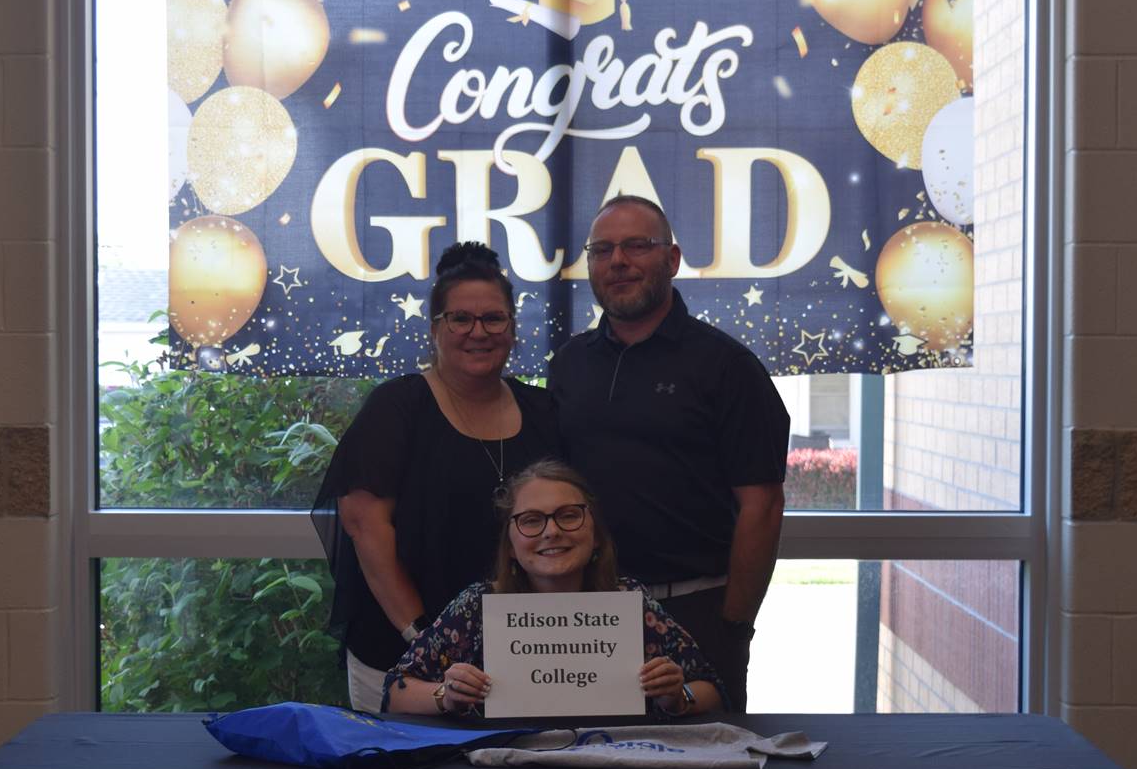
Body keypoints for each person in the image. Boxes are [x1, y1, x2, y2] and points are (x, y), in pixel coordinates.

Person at [545, 195, 790, 712]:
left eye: (637, 246)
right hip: (587, 613)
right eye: (603, 250)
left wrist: (733, 625)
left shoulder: (728, 367)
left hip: (697, 610)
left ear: (672, 260)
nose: (618, 262)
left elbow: (762, 506)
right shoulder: (568, 365)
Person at [312, 242, 562, 712]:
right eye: (460, 319)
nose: (478, 332)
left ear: (512, 329)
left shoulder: (544, 411)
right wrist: (424, 637)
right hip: (404, 658)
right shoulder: (396, 408)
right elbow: (363, 526)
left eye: (493, 319)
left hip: (519, 659)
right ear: (435, 330)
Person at [383, 460, 722, 717]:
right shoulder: (478, 605)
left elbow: (713, 690)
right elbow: (395, 693)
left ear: (596, 535)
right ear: (511, 547)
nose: (552, 532)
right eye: (531, 520)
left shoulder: (629, 601)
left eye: (569, 515)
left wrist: (676, 696)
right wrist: (446, 694)